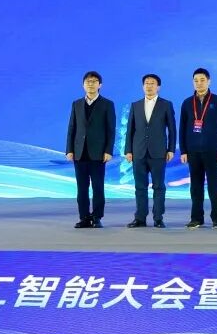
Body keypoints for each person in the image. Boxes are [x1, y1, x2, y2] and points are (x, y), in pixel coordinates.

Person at [179, 68, 217, 230]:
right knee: (195, 187)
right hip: (193, 151)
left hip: (213, 151)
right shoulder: (187, 103)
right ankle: (196, 218)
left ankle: (216, 218)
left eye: (202, 80)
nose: (199, 83)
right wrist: (184, 151)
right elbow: (182, 128)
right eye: (196, 80)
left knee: (214, 186)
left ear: (209, 81)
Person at [123, 74, 176, 229]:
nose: (149, 86)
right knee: (140, 187)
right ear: (142, 86)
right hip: (138, 152)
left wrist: (171, 149)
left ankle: (158, 218)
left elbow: (172, 129)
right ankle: (140, 218)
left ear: (158, 87)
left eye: (152, 83)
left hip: (158, 152)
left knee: (159, 186)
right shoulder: (136, 105)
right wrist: (128, 150)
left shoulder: (166, 104)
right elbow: (130, 130)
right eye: (146, 83)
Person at [66, 71, 116, 229]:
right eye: (88, 81)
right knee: (81, 188)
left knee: (98, 187)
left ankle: (97, 217)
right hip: (79, 153)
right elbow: (72, 128)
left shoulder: (107, 104)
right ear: (83, 85)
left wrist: (108, 150)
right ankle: (84, 217)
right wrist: (69, 150)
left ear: (100, 85)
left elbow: (110, 130)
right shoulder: (76, 104)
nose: (91, 84)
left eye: (94, 81)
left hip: (99, 153)